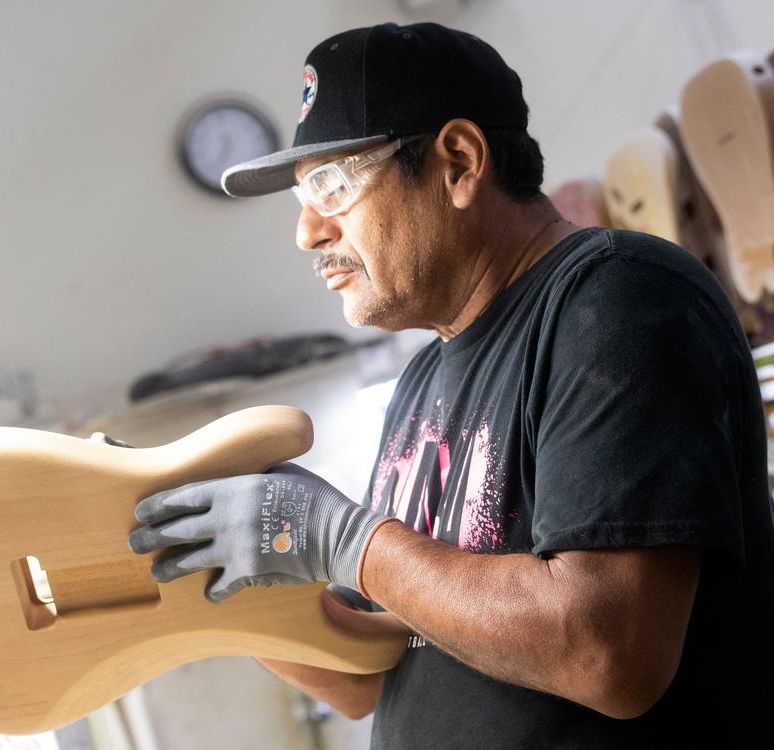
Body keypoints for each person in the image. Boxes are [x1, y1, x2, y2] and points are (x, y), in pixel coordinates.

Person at [128, 22, 774, 748]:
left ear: (460, 163)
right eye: (301, 198)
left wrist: (342, 536)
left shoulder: (615, 299)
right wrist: (221, 585)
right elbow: (364, 676)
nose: (307, 231)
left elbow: (607, 654)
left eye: (332, 186)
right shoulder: (423, 381)